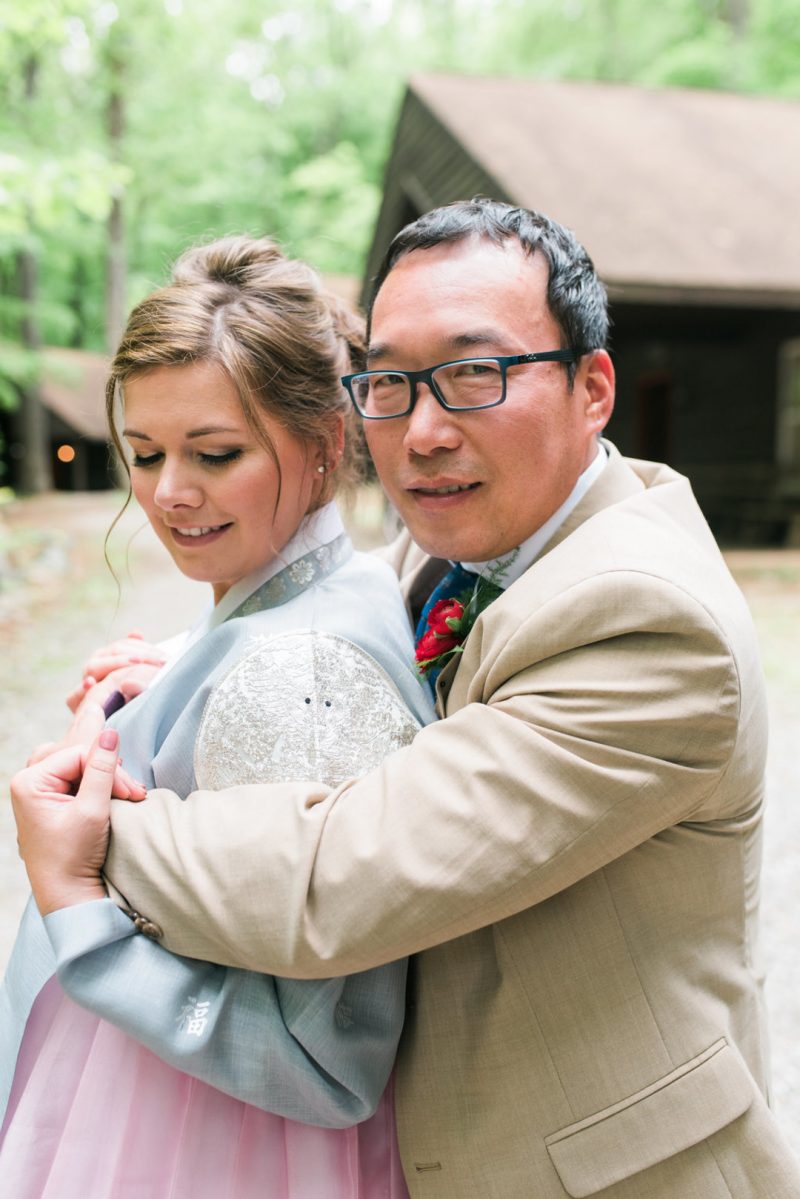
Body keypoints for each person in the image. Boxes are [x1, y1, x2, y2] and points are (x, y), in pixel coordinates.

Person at [12, 199, 800, 1198]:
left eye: (474, 373)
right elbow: (331, 611)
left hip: (591, 1167)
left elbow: (336, 882)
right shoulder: (455, 546)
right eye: (389, 381)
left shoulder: (643, 618)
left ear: (590, 386)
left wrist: (86, 840)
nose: (423, 430)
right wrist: (187, 665)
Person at [1, 234, 434, 1197]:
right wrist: (182, 678)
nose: (169, 493)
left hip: (212, 1145)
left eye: (215, 453)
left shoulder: (299, 677)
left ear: (325, 441)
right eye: (145, 452)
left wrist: (77, 902)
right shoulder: (324, 596)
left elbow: (327, 1063)